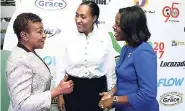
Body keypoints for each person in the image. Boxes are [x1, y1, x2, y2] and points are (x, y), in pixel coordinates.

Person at [5, 13, 74, 111]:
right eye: (39, 32)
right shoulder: (19, 60)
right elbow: (21, 105)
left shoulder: (28, 53)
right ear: (24, 35)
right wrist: (57, 91)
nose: (44, 35)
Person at [55, 1, 116, 111]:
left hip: (98, 91)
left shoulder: (104, 36)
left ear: (94, 18)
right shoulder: (66, 36)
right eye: (77, 15)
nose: (78, 20)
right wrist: (59, 94)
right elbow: (60, 67)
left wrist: (110, 93)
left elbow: (110, 67)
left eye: (83, 17)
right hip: (73, 90)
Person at [99, 6, 159, 111]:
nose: (113, 27)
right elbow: (125, 82)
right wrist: (111, 93)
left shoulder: (144, 52)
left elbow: (148, 94)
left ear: (129, 27)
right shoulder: (126, 48)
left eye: (117, 24)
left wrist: (114, 100)